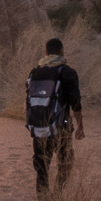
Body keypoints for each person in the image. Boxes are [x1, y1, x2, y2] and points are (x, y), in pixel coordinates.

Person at [25, 38, 85, 192]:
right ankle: (57, 196)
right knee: (65, 163)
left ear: (45, 52)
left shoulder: (35, 72)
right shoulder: (68, 72)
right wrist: (80, 127)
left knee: (41, 167)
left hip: (39, 126)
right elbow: (75, 103)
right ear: (61, 51)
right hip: (61, 127)